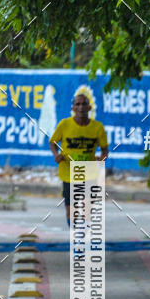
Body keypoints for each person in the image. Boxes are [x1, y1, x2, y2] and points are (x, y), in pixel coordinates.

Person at [49, 93, 109, 226]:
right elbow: (52, 142)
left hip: (90, 173)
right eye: (78, 104)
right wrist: (56, 155)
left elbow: (105, 149)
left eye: (84, 104)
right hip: (68, 174)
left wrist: (102, 159)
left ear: (89, 107)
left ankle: (84, 236)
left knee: (87, 211)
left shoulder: (97, 128)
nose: (81, 107)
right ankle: (76, 237)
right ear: (73, 108)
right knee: (72, 212)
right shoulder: (64, 125)